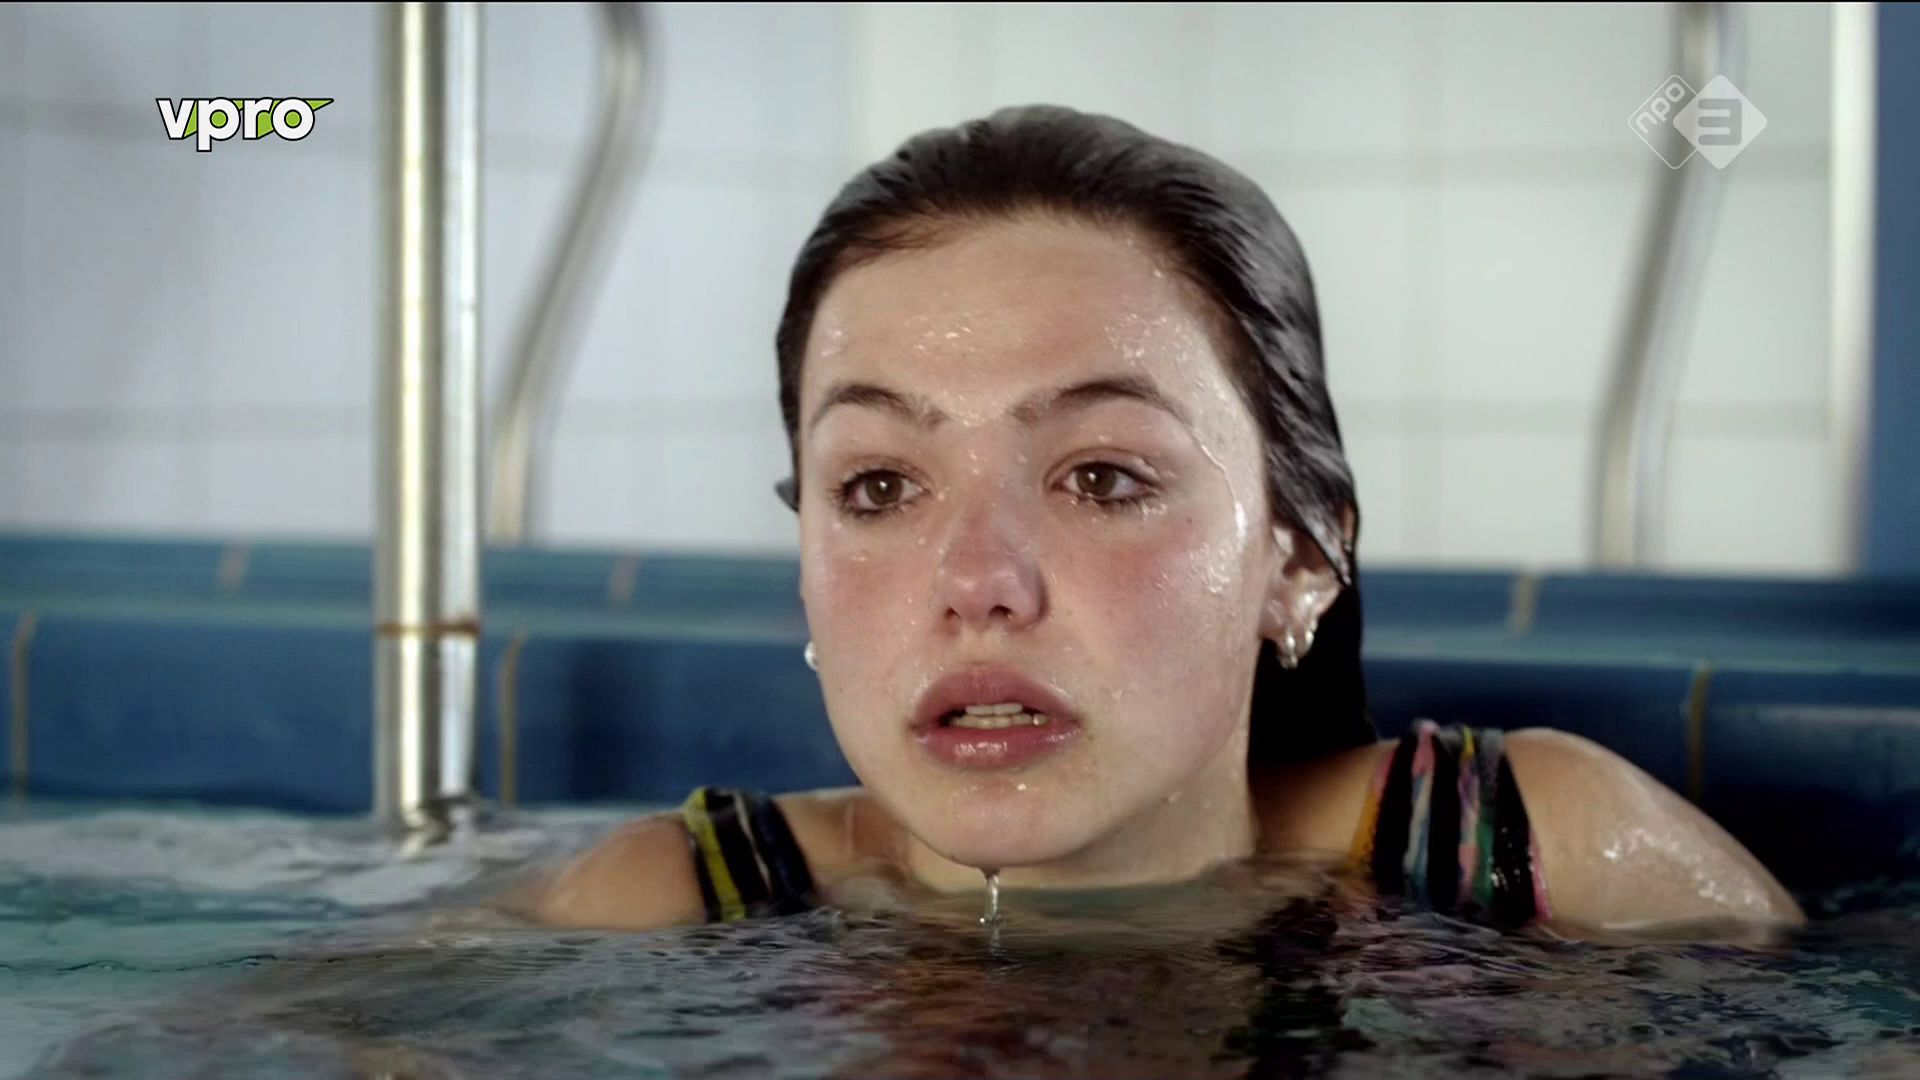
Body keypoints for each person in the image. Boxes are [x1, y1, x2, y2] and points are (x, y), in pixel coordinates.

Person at [509, 105, 1804, 938]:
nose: (978, 579)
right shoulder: (660, 913)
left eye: (1103, 479)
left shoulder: (1538, 851)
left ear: (1300, 559)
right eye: (880, 488)